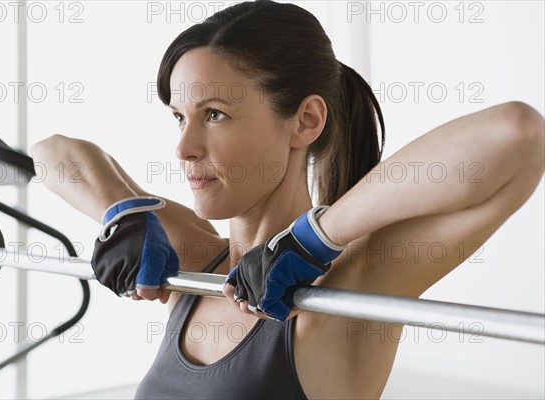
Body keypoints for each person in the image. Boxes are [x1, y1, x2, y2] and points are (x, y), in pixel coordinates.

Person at [31, 0, 544, 398]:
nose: (183, 148)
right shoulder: (199, 260)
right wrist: (121, 211)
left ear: (306, 121)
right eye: (178, 116)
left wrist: (319, 237)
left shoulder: (348, 290)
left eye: (214, 114)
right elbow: (52, 152)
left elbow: (517, 136)